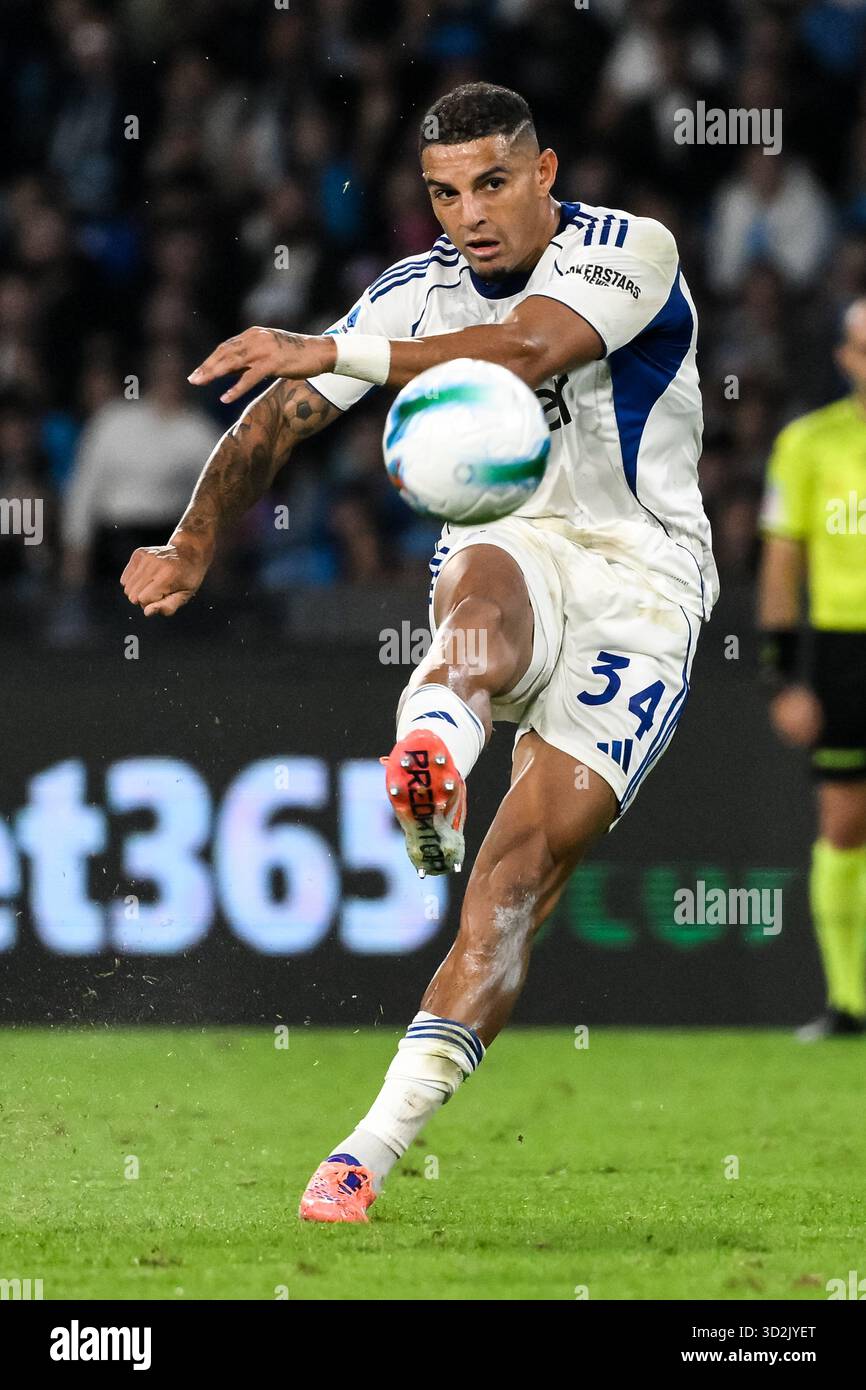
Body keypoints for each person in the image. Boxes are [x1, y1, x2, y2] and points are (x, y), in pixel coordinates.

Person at [120, 83, 718, 1221]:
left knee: (512, 883)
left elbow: (529, 347)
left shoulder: (627, 250)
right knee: (479, 594)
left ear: (544, 173)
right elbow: (275, 418)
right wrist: (191, 544)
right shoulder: (413, 292)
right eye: (443, 193)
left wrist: (334, 345)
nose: (469, 215)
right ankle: (431, 759)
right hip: (512, 539)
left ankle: (366, 1151)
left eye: (492, 183)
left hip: (644, 589)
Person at [758, 299, 866, 1041]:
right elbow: (782, 560)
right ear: (846, 356)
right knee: (845, 822)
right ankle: (849, 1002)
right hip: (844, 649)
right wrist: (783, 674)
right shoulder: (807, 443)